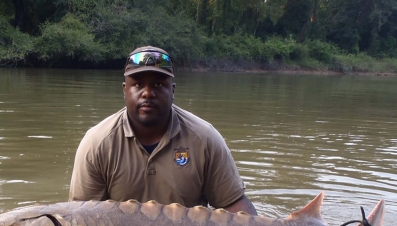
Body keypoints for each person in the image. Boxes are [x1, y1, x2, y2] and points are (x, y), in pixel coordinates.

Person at [69, 46, 257, 215]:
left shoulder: (205, 139)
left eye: (158, 85)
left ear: (173, 90)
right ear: (124, 90)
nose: (148, 93)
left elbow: (234, 204)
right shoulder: (97, 143)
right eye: (138, 84)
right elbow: (80, 218)